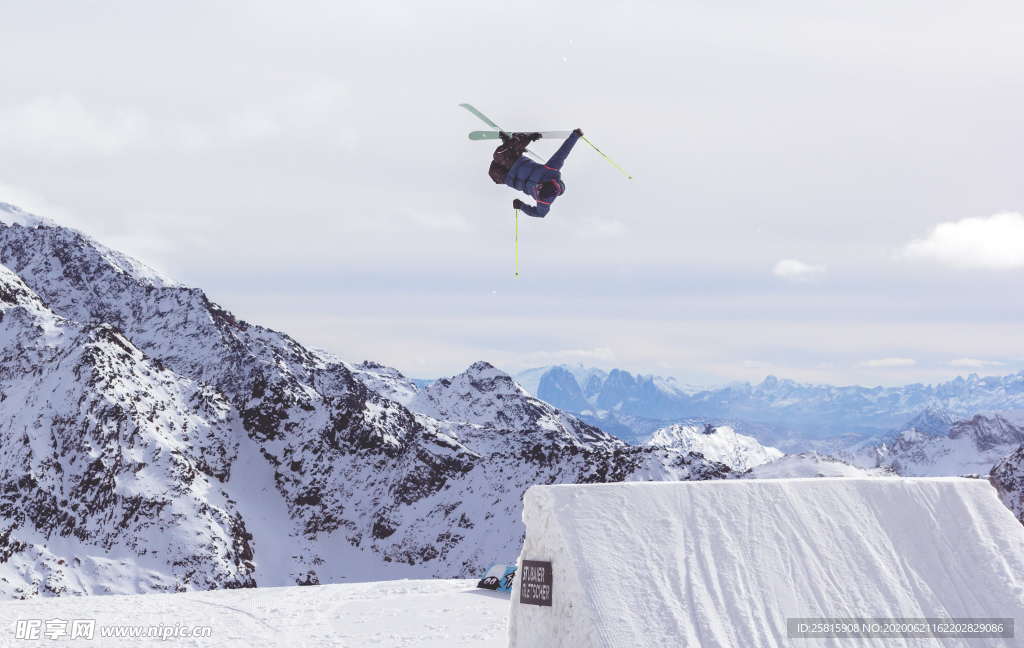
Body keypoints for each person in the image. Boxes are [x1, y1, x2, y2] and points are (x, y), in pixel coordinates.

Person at [488, 128, 583, 218]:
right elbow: (562, 154)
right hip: (516, 163)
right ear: (548, 183)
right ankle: (520, 141)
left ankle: (509, 146)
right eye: (540, 186)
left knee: (493, 173)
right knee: (499, 155)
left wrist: (521, 206)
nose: (537, 187)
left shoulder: (544, 202)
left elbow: (540, 214)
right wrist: (575, 136)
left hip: (509, 178)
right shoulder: (551, 172)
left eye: (538, 190)